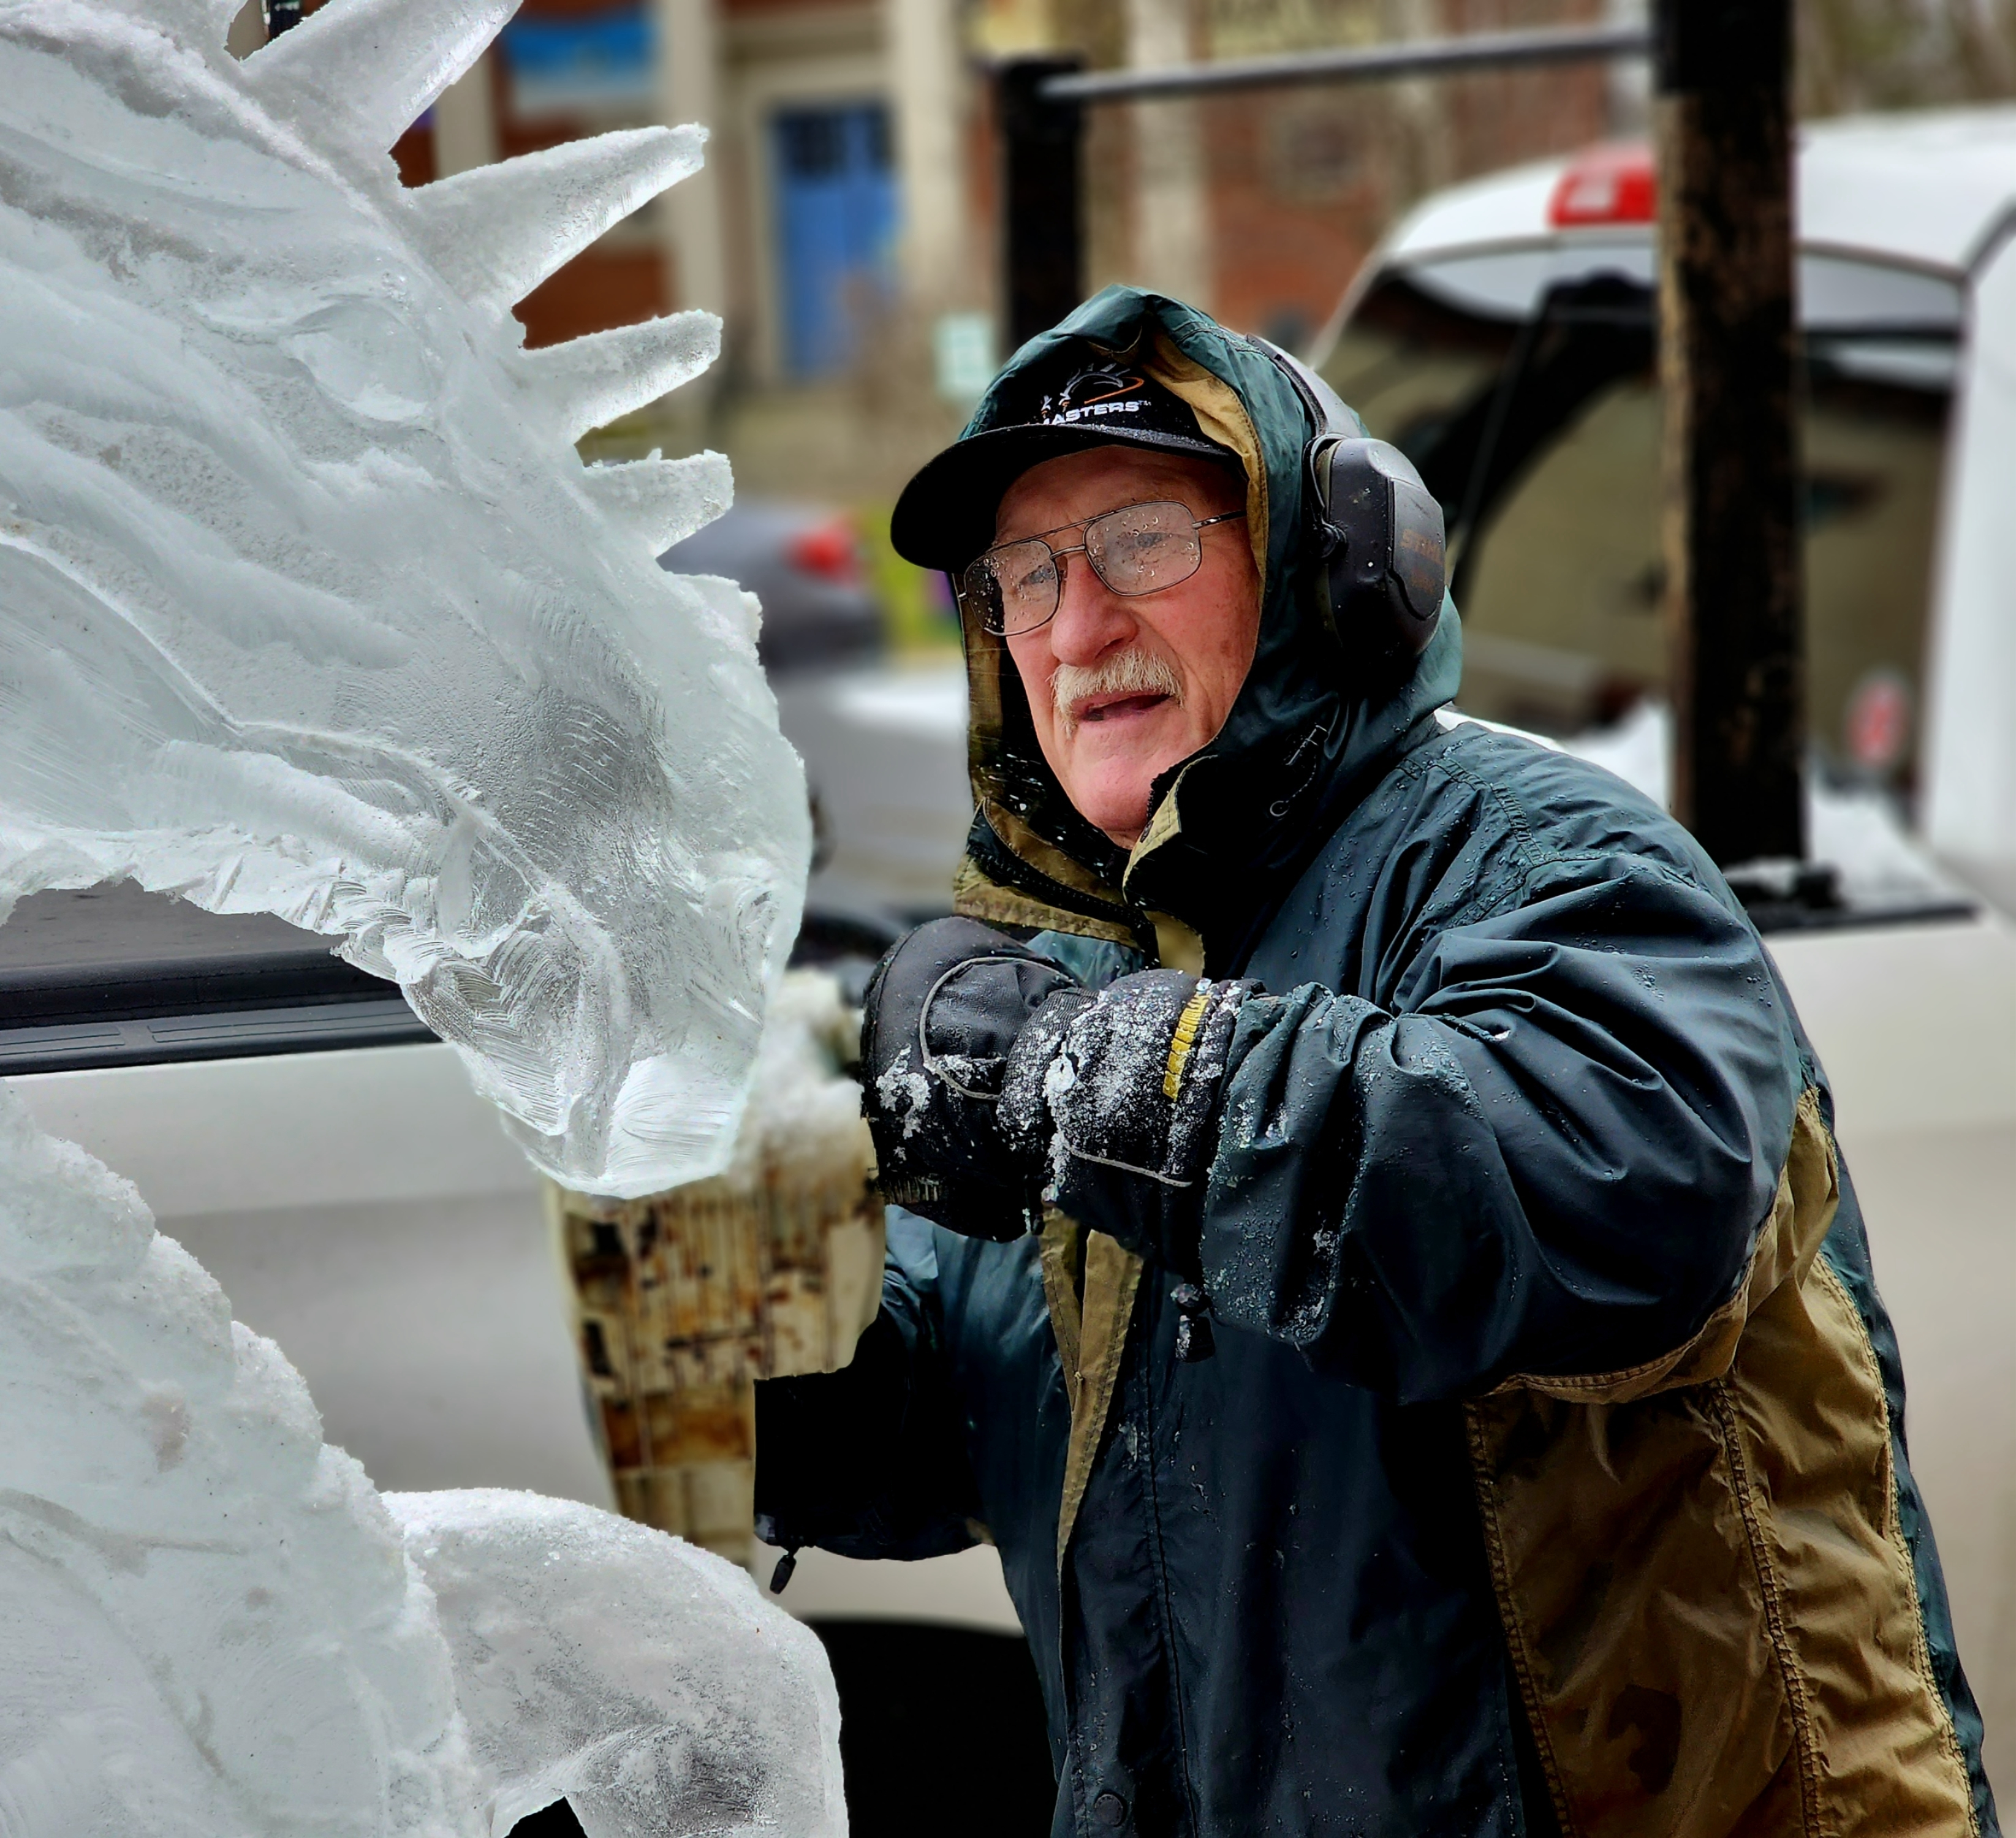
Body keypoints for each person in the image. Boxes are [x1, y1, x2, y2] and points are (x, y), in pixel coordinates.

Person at [753, 287, 1996, 1838]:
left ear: (1332, 570)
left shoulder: (1544, 861)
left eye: (1141, 541)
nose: (1073, 630)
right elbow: (950, 1428)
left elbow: (1604, 1199)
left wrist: (1080, 1069)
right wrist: (754, 1317)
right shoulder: (1091, 976)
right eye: (1021, 575)